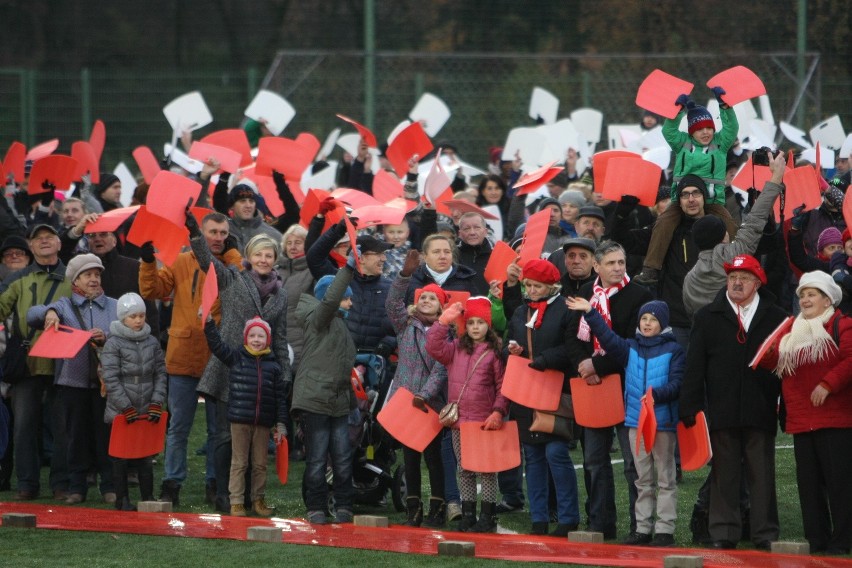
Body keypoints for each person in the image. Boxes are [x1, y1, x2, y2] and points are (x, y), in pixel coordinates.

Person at [679, 254, 788, 550]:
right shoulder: (706, 316)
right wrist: (689, 405)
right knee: (723, 473)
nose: (737, 282)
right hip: (721, 408)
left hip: (761, 406)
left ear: (758, 282)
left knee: (762, 473)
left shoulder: (777, 316)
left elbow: (785, 367)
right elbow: (694, 366)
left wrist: (785, 409)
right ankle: (723, 534)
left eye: (744, 277)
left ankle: (765, 534)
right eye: (732, 277)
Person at [188, 210, 292, 514]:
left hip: (262, 374)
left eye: (269, 255)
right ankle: (223, 493)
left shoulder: (281, 295)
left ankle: (250, 497)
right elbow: (207, 261)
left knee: (257, 442)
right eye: (258, 254)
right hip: (228, 367)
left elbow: (281, 337)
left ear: (275, 259)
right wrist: (195, 233)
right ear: (249, 256)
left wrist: (284, 373)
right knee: (223, 436)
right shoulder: (232, 277)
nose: (263, 259)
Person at [139, 211, 242, 508]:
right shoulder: (182, 261)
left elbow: (239, 283)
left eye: (224, 233)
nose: (219, 238)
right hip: (183, 354)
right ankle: (172, 483)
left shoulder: (231, 265)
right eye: (213, 232)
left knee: (217, 429)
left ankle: (214, 483)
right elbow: (152, 289)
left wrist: (233, 253)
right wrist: (147, 262)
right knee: (178, 427)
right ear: (200, 233)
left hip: (217, 358)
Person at [567, 297, 683, 546]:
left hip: (661, 423)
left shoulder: (674, 350)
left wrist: (656, 395)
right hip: (635, 423)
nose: (648, 323)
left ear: (663, 323)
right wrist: (590, 313)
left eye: (653, 319)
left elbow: (677, 383)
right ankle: (642, 529)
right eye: (644, 319)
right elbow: (607, 337)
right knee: (642, 478)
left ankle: (664, 530)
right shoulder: (629, 348)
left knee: (665, 477)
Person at [566, 241, 652, 539]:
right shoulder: (584, 294)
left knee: (633, 463)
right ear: (597, 267)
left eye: (621, 262)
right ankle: (601, 524)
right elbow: (572, 338)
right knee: (593, 460)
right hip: (593, 387)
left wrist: (597, 366)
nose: (618, 268)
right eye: (612, 263)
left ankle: (639, 526)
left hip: (628, 386)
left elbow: (634, 344)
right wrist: (582, 364)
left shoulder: (641, 295)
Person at [763, 271, 852, 554]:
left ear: (828, 299)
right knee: (809, 488)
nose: (805, 299)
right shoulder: (791, 330)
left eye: (812, 294)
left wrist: (827, 384)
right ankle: (817, 540)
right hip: (802, 420)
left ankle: (843, 541)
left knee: (840, 486)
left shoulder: (843, 324)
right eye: (801, 294)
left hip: (835, 418)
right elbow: (771, 362)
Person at [28, 253, 117, 505]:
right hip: (72, 383)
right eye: (88, 275)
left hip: (106, 384)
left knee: (105, 435)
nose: (94, 279)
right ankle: (77, 487)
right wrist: (51, 312)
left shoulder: (113, 304)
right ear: (75, 280)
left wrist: (107, 335)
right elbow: (31, 315)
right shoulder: (64, 305)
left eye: (97, 274)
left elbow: (129, 332)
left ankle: (109, 485)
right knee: (75, 437)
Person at [504, 259, 580, 537]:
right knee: (533, 457)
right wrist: (510, 350)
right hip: (525, 390)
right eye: (528, 285)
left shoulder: (566, 310)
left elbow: (572, 347)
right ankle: (538, 518)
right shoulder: (521, 311)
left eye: (537, 286)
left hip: (556, 391)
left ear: (551, 286)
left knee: (556, 453)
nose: (532, 290)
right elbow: (506, 342)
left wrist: (545, 359)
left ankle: (568, 516)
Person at [635, 89, 739, 285]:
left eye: (709, 128)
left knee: (730, 224)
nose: (706, 132)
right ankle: (651, 269)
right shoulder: (682, 143)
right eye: (700, 129)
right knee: (663, 223)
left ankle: (740, 264)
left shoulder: (720, 143)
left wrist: (725, 107)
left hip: (711, 200)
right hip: (680, 200)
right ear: (691, 131)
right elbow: (668, 131)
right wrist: (678, 111)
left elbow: (731, 127)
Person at [0, 224, 71, 501]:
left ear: (59, 243)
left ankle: (62, 484)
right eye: (37, 238)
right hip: (26, 364)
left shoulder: (72, 278)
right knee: (24, 428)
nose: (43, 242)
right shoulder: (17, 280)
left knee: (63, 427)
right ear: (31, 247)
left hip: (64, 363)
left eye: (49, 237)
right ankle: (27, 484)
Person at [426, 296, 508, 533]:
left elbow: (503, 386)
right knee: (464, 468)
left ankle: (488, 515)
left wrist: (497, 411)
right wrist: (442, 322)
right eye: (470, 322)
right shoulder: (455, 350)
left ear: (488, 325)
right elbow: (433, 347)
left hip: (485, 422)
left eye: (480, 323)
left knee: (487, 469)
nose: (475, 327)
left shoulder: (495, 353)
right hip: (460, 422)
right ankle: (469, 513)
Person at [385, 250, 448, 527]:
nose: (425, 300)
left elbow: (441, 368)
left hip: (430, 403)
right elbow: (392, 302)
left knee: (434, 459)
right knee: (409, 458)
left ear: (441, 307)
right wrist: (404, 275)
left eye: (432, 298)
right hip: (406, 402)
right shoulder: (405, 326)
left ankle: (437, 506)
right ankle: (413, 507)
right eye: (422, 296)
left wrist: (426, 394)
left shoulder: (446, 333)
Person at [292, 262, 357, 525]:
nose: (350, 303)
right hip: (315, 400)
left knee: (342, 459)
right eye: (346, 298)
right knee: (318, 459)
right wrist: (347, 270)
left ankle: (344, 505)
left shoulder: (341, 326)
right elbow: (329, 302)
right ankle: (316, 506)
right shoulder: (318, 320)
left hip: (338, 402)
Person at [682, 151, 786, 317]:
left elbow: (690, 312)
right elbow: (755, 220)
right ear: (723, 236)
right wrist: (776, 178)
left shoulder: (690, 279)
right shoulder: (732, 256)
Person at [205, 315, 288, 517]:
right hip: (239, 421)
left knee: (260, 464)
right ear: (246, 338)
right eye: (252, 335)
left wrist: (281, 424)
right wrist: (208, 324)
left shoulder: (274, 367)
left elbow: (280, 399)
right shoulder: (236, 357)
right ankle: (236, 501)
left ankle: (258, 500)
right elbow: (217, 346)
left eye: (261, 336)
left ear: (267, 340)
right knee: (239, 463)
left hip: (263, 423)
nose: (256, 339)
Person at [101, 293, 167, 511]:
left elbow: (160, 374)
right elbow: (111, 378)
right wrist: (125, 407)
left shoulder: (152, 341)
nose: (138, 320)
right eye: (133, 316)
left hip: (147, 407)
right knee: (120, 456)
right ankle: (122, 499)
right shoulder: (113, 343)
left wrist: (157, 401)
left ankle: (147, 496)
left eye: (141, 315)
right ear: (122, 318)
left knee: (145, 455)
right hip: (122, 410)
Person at [275, 224, 314, 370]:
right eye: (289, 243)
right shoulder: (276, 271)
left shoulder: (312, 272)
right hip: (276, 342)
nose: (292, 247)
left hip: (301, 343)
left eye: (298, 243)